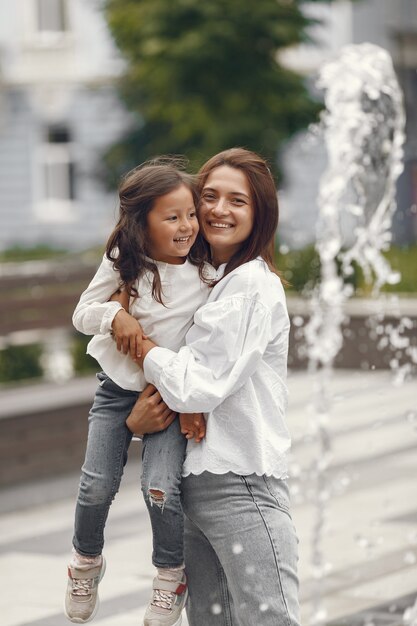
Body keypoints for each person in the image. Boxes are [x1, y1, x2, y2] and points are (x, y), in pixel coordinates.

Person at [124, 148, 300, 626]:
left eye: (237, 201)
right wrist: (136, 425)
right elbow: (170, 387)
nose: (220, 209)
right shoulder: (202, 283)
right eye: (210, 196)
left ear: (259, 213)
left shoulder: (251, 287)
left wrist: (139, 343)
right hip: (194, 488)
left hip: (241, 480)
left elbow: (195, 387)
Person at [64, 159, 213, 626]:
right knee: (95, 486)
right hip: (115, 392)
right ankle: (85, 562)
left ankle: (170, 575)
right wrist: (116, 316)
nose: (187, 225)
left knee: (160, 489)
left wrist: (192, 401)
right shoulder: (124, 263)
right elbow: (82, 313)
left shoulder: (208, 271)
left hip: (168, 396)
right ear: (142, 223)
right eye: (172, 217)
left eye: (190, 214)